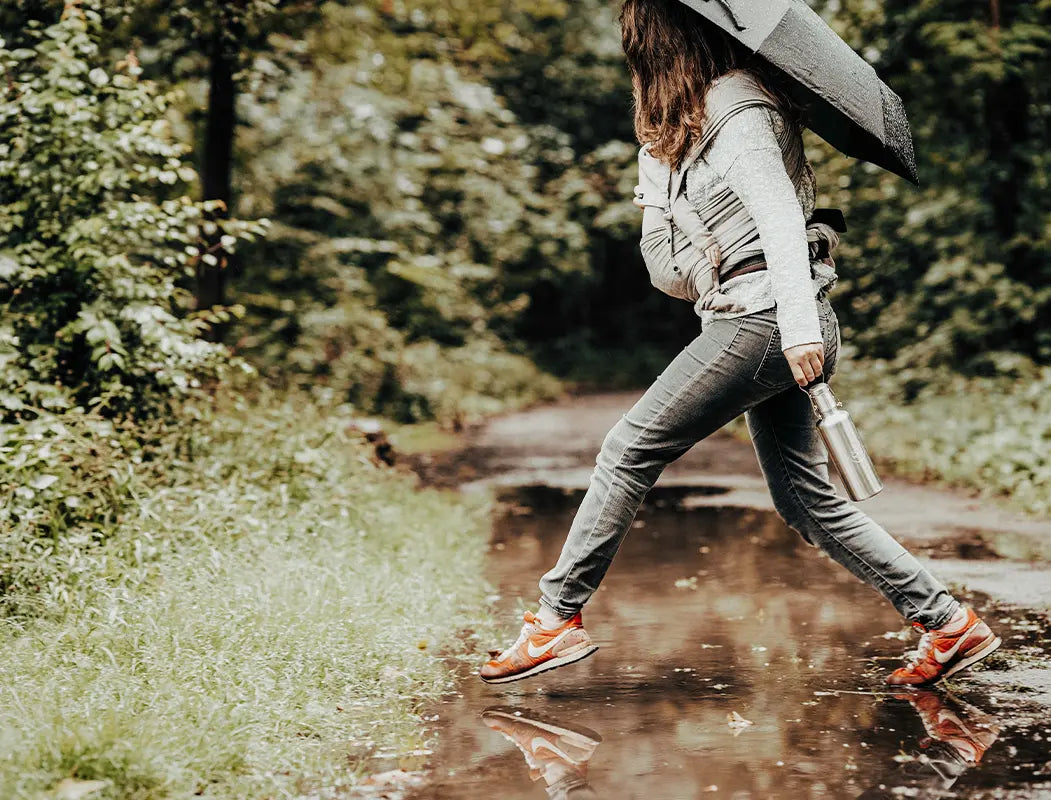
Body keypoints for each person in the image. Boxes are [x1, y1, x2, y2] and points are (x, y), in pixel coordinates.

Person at [479, 0, 1001, 687]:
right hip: (753, 319)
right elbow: (669, 274)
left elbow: (782, 221)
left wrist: (798, 330)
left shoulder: (739, 110)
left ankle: (555, 620)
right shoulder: (684, 133)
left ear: (660, 44)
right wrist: (659, 186)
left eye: (635, 44)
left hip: (766, 324)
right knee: (805, 499)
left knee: (627, 449)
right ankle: (944, 623)